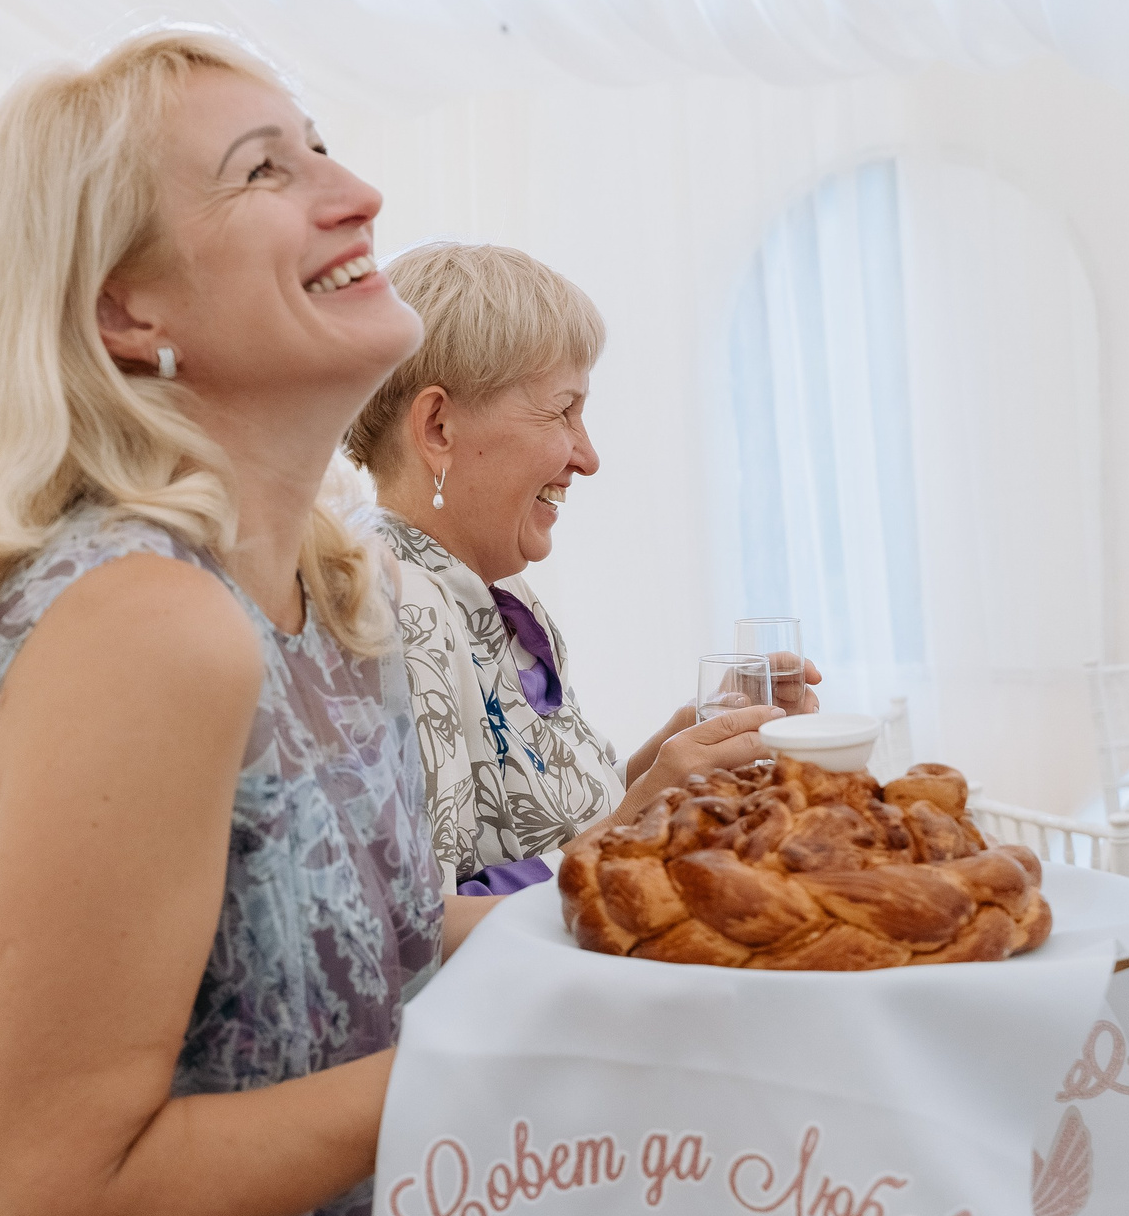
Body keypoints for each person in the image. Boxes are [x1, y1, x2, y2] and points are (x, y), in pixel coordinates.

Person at [0, 29, 498, 1216]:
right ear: (129, 313)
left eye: (324, 145)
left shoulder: (331, 591)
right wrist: (508, 1065)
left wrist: (585, 946)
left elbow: (317, 956)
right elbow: (50, 1211)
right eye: (270, 170)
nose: (357, 191)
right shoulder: (148, 624)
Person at [343, 242, 820, 895]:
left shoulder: (499, 596)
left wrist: (684, 754)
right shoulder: (396, 611)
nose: (588, 456)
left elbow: (548, 833)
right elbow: (426, 928)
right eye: (562, 410)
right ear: (439, 427)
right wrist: (641, 814)